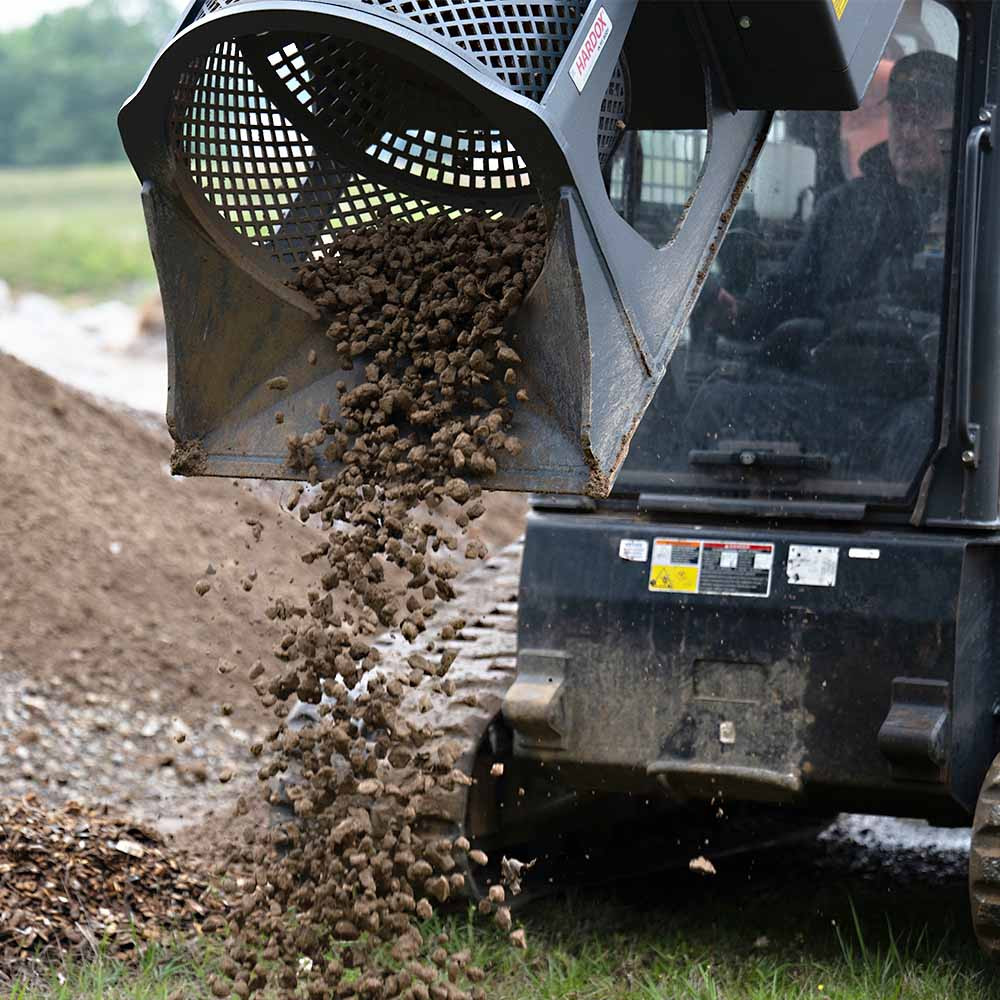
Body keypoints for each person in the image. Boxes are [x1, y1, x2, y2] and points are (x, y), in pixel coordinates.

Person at [730, 49, 957, 346]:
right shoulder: (841, 207)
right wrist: (737, 314)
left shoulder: (976, 211)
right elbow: (790, 287)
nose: (910, 133)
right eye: (902, 116)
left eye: (925, 118)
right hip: (829, 375)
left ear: (957, 124)